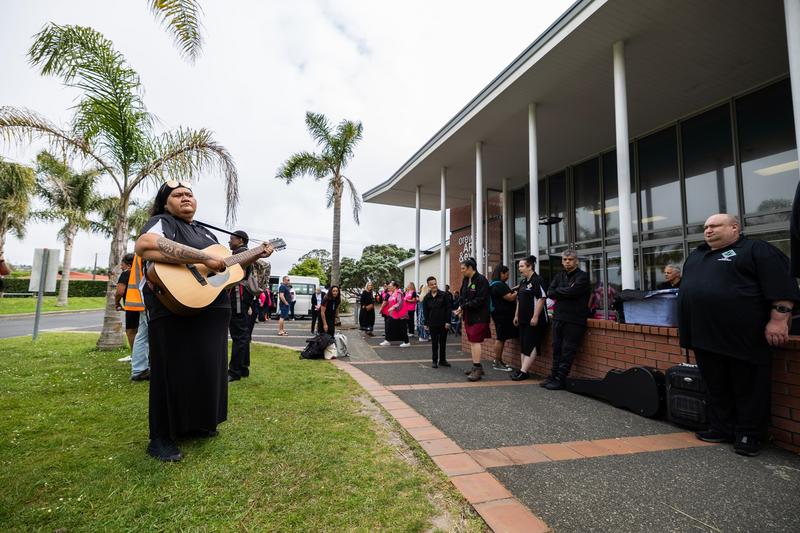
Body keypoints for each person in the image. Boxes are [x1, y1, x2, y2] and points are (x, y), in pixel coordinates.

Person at [135, 180, 273, 461]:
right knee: (170, 368)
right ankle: (161, 437)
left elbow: (224, 269)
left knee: (206, 366)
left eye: (189, 194)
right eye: (178, 195)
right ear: (165, 202)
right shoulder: (162, 222)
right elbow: (145, 246)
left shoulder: (204, 230)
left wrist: (256, 254)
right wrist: (203, 257)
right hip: (172, 304)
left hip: (210, 305)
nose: (186, 198)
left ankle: (196, 423)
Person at [679, 214, 799, 456]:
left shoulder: (755, 249)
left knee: (749, 387)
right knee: (716, 386)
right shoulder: (697, 255)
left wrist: (779, 319)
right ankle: (722, 428)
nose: (708, 230)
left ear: (734, 227)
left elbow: (782, 284)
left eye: (714, 225)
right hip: (704, 337)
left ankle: (749, 434)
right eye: (705, 227)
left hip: (744, 337)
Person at [543, 250, 591, 390]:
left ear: (576, 261)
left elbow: (574, 291)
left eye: (570, 259)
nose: (567, 262)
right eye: (565, 259)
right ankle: (553, 376)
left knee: (567, 350)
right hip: (558, 317)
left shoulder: (583, 277)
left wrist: (560, 292)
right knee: (556, 349)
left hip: (574, 319)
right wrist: (564, 291)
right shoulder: (559, 276)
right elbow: (550, 292)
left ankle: (560, 379)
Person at [510, 256, 548, 381]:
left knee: (531, 344)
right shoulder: (523, 282)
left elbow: (542, 299)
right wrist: (516, 315)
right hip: (522, 319)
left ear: (530, 266)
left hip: (534, 320)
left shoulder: (538, 280)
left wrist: (535, 316)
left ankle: (523, 371)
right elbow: (519, 301)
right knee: (524, 344)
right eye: (519, 266)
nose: (519, 269)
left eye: (521, 266)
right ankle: (523, 370)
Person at [456, 258, 491, 382]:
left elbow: (480, 300)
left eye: (463, 268)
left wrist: (464, 306)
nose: (461, 271)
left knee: (475, 341)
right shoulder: (466, 280)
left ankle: (477, 369)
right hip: (469, 316)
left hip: (479, 316)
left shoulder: (482, 280)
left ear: (471, 268)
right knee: (472, 341)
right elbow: (462, 296)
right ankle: (476, 366)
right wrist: (461, 306)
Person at [227, 230, 255, 382]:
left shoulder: (241, 254)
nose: (229, 241)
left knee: (239, 335)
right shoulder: (246, 253)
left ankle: (235, 371)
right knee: (243, 335)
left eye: (232, 239)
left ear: (241, 240)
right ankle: (243, 368)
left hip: (238, 295)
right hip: (243, 296)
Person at [489, 264, 517, 372]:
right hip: (502, 316)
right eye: (507, 274)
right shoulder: (499, 285)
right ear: (501, 273)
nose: (508, 276)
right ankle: (497, 361)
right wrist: (517, 292)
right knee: (500, 338)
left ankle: (498, 361)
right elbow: (509, 297)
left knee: (501, 337)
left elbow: (505, 293)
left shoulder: (494, 284)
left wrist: (513, 289)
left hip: (498, 315)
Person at [422, 276, 453, 368]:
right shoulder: (427, 297)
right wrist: (426, 323)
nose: (434, 285)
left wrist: (448, 322)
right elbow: (425, 311)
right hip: (432, 323)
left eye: (435, 283)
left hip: (443, 323)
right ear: (428, 286)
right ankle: (434, 361)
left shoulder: (444, 295)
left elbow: (448, 309)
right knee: (434, 343)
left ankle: (442, 360)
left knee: (443, 343)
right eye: (431, 284)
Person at [114, 253, 139, 354]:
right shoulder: (141, 273)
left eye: (122, 264)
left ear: (129, 265)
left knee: (131, 331)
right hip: (145, 306)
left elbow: (120, 291)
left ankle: (135, 356)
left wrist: (117, 303)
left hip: (132, 306)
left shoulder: (126, 273)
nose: (121, 267)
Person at [379, 281, 411, 347]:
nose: (389, 287)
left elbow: (400, 303)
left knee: (402, 328)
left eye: (390, 286)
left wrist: (393, 307)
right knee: (389, 326)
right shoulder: (392, 293)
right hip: (394, 314)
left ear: (394, 287)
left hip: (401, 315)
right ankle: (387, 340)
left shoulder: (399, 293)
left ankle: (407, 342)